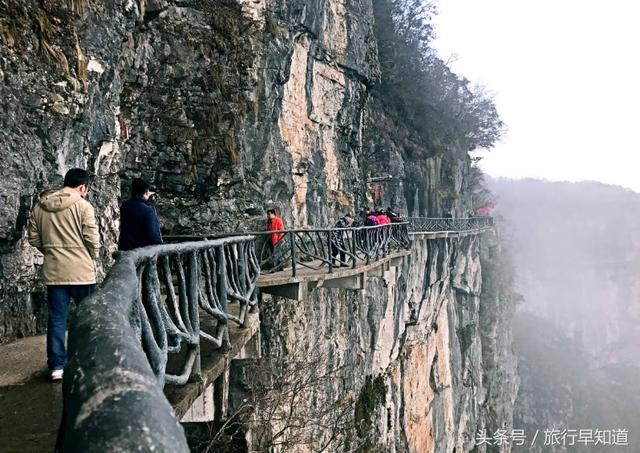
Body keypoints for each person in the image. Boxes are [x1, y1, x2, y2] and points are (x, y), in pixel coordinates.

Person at [28, 168, 100, 381]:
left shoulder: (41, 206)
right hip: (82, 273)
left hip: (54, 271)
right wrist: (90, 255)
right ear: (82, 187)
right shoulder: (83, 206)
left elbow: (33, 238)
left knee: (57, 319)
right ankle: (88, 360)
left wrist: (50, 251)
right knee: (89, 318)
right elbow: (92, 239)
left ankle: (57, 366)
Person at [118, 178, 163, 251]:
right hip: (141, 251)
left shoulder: (124, 206)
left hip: (124, 249)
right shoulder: (148, 211)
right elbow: (153, 235)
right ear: (146, 192)